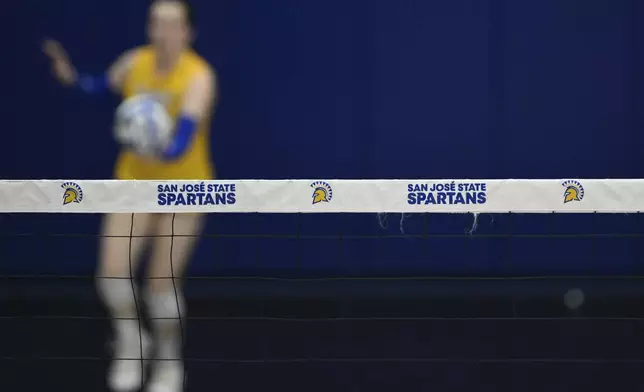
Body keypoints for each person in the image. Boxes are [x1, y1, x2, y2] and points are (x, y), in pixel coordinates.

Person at [43, 1, 216, 391]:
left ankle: (170, 361)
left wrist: (150, 142)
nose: (162, 31)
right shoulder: (133, 63)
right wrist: (70, 77)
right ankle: (132, 343)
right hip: (132, 187)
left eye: (172, 24)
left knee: (161, 285)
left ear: (188, 32)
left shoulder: (199, 77)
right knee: (111, 278)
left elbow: (182, 142)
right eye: (156, 22)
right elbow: (99, 86)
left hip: (183, 191)